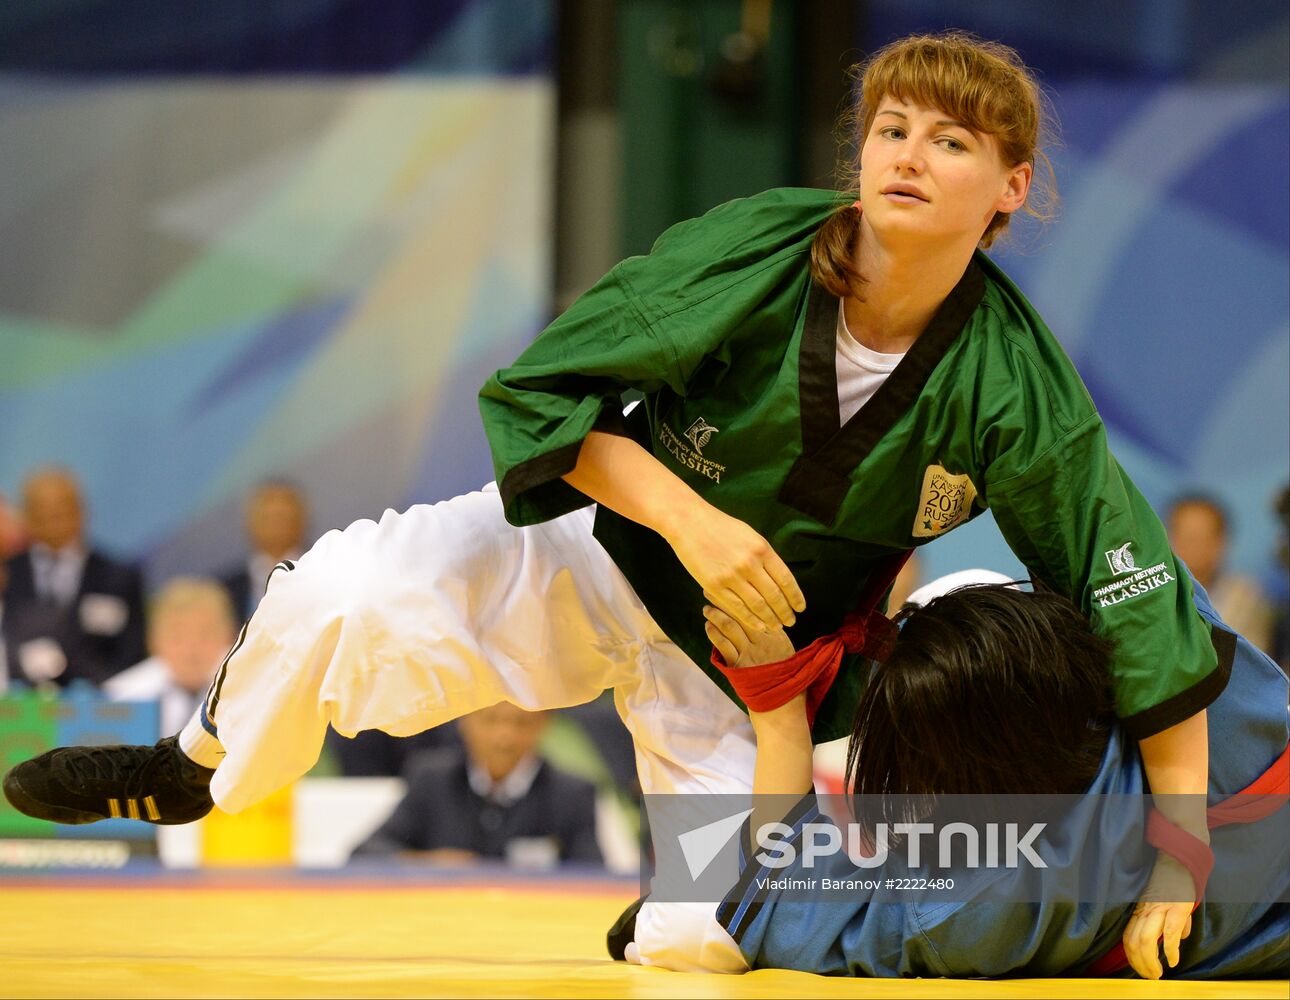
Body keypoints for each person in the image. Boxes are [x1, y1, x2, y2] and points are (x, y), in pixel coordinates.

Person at [2, 32, 1223, 968]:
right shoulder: (756, 250)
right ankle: (198, 762)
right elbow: (548, 398)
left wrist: (1178, 862)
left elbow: (1140, 616)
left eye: (950, 142)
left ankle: (667, 896)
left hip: (739, 670)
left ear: (1012, 188)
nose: (908, 153)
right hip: (591, 553)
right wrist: (693, 519)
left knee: (710, 938)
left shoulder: (1017, 387)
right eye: (890, 126)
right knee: (332, 592)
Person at [672, 575, 1288, 980]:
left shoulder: (974, 909)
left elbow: (775, 891)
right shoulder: (1175, 639)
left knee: (675, 927)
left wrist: (777, 714)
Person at [351, 702, 602, 867]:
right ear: (464, 721)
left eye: (521, 722)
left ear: (543, 725)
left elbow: (594, 874)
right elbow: (366, 852)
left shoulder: (572, 794)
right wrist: (429, 862)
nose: (504, 736)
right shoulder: (431, 780)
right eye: (490, 720)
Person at [1, 467, 146, 686]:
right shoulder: (6, 576)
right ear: (26, 516)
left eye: (62, 508)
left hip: (102, 709)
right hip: (19, 710)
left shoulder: (118, 577)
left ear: (82, 510)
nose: (53, 519)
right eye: (42, 510)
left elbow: (133, 655)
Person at [104, 578, 239, 737]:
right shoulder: (121, 697)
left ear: (230, 637)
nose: (192, 649)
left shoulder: (251, 693)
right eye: (177, 637)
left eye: (205, 634)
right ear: (153, 640)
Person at [1167, 494, 1275, 655]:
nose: (1192, 547)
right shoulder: (1150, 592)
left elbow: (1249, 662)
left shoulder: (1247, 597)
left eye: (1201, 537)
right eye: (1185, 537)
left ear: (1222, 542)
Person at [218, 480, 309, 621]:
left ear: (301, 521)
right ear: (251, 524)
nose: (276, 527)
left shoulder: (326, 575)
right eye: (268, 518)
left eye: (282, 518)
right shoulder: (226, 590)